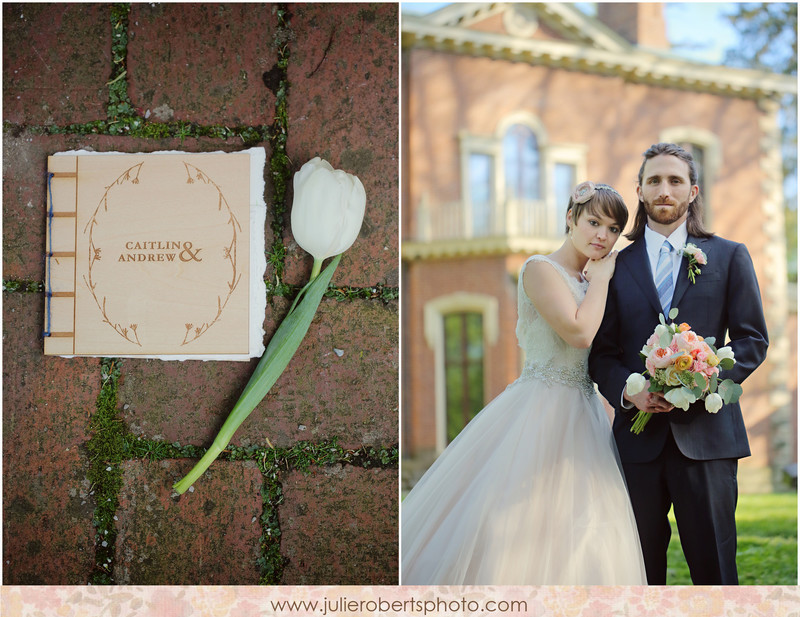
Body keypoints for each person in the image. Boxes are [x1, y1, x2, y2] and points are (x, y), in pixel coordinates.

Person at [401, 181, 647, 585]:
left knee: (583, 524)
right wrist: (602, 278)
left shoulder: (590, 280)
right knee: (514, 516)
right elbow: (579, 333)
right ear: (571, 218)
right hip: (538, 408)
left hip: (585, 414)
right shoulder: (539, 269)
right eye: (593, 222)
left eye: (612, 229)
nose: (602, 236)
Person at [589, 143, 769, 585]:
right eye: (654, 181)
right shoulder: (612, 265)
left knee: (715, 573)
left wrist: (703, 381)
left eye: (674, 181)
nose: (664, 190)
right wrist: (630, 391)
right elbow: (601, 353)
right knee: (636, 572)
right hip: (636, 446)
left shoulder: (729, 256)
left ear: (692, 191)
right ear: (639, 190)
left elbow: (752, 339)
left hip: (709, 443)